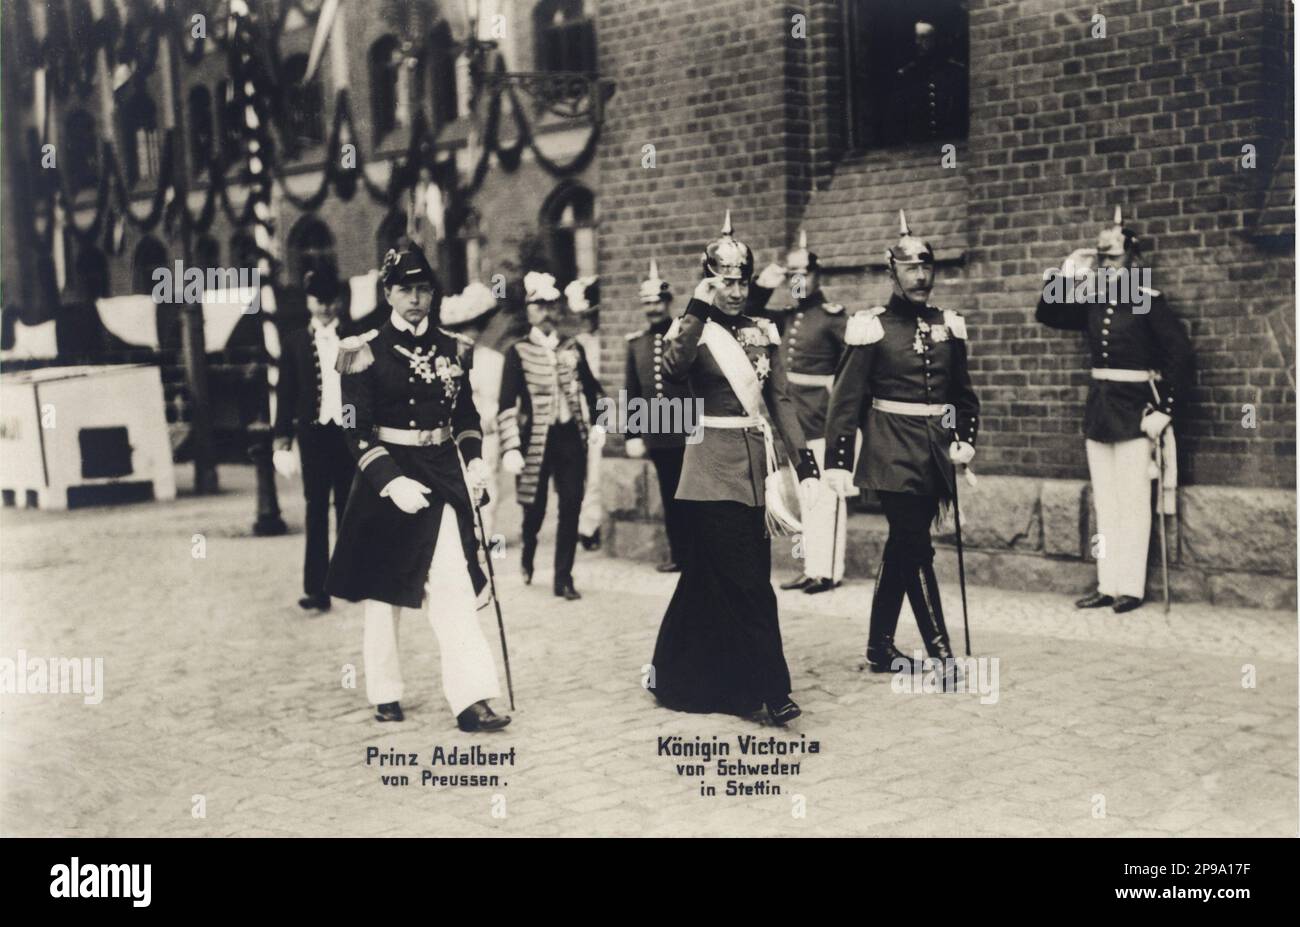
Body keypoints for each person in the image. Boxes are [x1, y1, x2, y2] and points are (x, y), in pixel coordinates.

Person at [325, 244, 510, 732]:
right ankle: (385, 691)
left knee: (451, 581)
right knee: (385, 595)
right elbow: (355, 429)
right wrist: (390, 482)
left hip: (442, 475)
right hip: (387, 478)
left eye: (423, 289)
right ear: (388, 293)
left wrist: (473, 462)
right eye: (405, 289)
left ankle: (473, 699)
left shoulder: (454, 349)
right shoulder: (362, 351)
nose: (415, 299)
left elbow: (466, 417)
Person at [649, 213, 821, 725]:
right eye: (725, 280)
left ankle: (681, 672)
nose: (735, 289)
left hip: (756, 471)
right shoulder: (692, 327)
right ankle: (773, 687)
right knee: (749, 582)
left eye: (742, 280)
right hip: (709, 471)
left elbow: (781, 400)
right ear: (709, 280)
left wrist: (804, 463)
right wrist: (697, 306)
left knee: (708, 579)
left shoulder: (763, 330)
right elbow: (673, 370)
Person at [823, 211, 979, 688]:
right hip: (890, 451)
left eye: (927, 266)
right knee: (917, 545)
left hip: (933, 454)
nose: (920, 276)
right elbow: (845, 401)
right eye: (910, 268)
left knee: (903, 547)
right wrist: (837, 461)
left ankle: (879, 646)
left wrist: (963, 439)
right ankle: (942, 653)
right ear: (892, 272)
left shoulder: (948, 325)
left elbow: (962, 395)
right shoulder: (871, 327)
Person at [1035, 207, 1192, 613]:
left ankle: (1131, 588)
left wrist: (1166, 410)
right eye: (1102, 258)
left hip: (1137, 412)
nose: (1107, 264)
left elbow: (1180, 356)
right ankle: (1107, 584)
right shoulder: (1092, 297)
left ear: (1133, 260)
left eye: (1114, 257)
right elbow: (1048, 313)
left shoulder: (1144, 301)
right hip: (1101, 412)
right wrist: (1068, 272)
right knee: (1105, 502)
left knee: (1134, 501)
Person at [750, 232, 849, 595]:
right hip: (795, 422)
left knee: (826, 499)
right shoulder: (786, 317)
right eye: (791, 274)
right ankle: (812, 566)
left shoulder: (832, 318)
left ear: (817, 276)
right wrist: (762, 285)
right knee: (805, 498)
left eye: (803, 274)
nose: (797, 281)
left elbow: (851, 375)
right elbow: (748, 311)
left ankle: (829, 571)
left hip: (823, 418)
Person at [498, 271, 606, 600]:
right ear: (529, 311)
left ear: (557, 310)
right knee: (535, 508)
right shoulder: (517, 352)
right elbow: (506, 404)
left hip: (570, 437)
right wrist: (511, 446)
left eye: (550, 305)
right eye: (538, 305)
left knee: (571, 502)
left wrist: (599, 423)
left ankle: (564, 576)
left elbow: (595, 393)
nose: (545, 312)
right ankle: (528, 553)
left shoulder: (572, 348)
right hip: (535, 441)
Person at [273, 265, 357, 612]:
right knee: (315, 507)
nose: (325, 307)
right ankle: (317, 587)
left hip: (348, 432)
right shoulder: (294, 342)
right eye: (318, 301)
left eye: (330, 301)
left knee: (349, 508)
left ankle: (351, 580)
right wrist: (281, 440)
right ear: (308, 302)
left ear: (338, 302)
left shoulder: (355, 337)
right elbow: (286, 392)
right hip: (313, 433)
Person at [623, 259, 692, 572]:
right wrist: (633, 433)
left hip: (687, 430)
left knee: (692, 496)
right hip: (658, 434)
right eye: (647, 304)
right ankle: (679, 554)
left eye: (658, 302)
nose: (653, 309)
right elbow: (632, 389)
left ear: (668, 303)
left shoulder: (683, 335)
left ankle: (699, 555)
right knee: (670, 497)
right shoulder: (636, 343)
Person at [438, 280, 504, 539]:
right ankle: (462, 536)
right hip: (455, 433)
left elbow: (503, 399)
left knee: (487, 482)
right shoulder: (447, 362)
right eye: (462, 330)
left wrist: (492, 416)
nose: (469, 335)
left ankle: (486, 538)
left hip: (486, 430)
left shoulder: (493, 360)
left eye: (474, 328)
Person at [566, 276, 606, 552]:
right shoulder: (578, 344)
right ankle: (587, 524)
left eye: (593, 316)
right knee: (589, 468)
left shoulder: (607, 340)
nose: (588, 321)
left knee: (598, 469)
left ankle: (591, 523)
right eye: (584, 317)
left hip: (606, 405)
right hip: (589, 409)